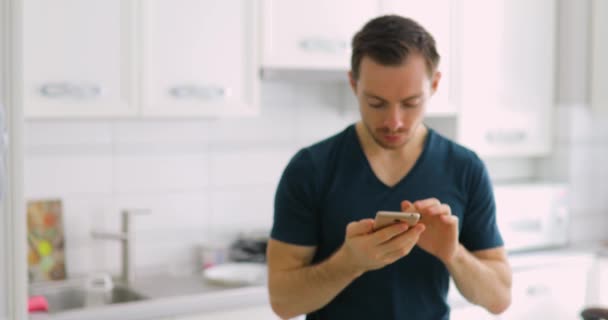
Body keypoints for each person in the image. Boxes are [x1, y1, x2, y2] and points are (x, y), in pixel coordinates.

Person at [266, 15, 512, 320]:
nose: (394, 121)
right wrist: (349, 262)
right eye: (376, 103)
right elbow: (283, 302)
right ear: (354, 84)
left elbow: (499, 297)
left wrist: (453, 253)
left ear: (434, 85)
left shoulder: (465, 168)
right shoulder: (310, 169)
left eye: (410, 103)